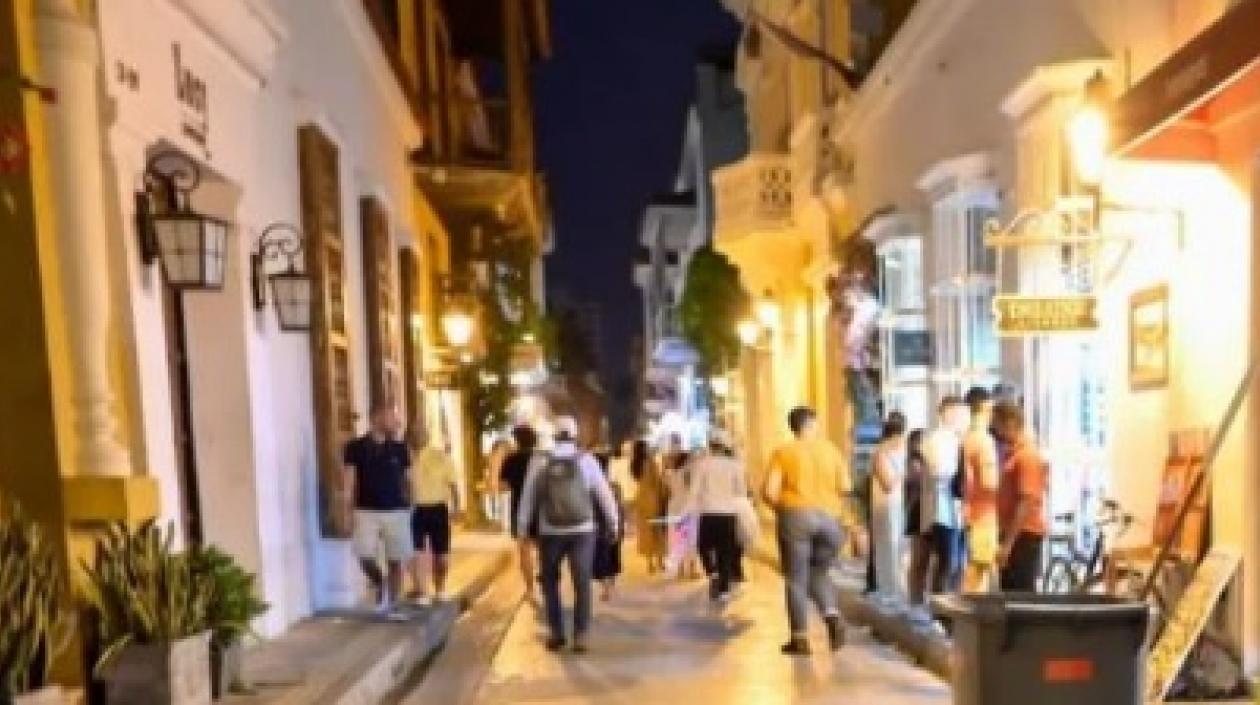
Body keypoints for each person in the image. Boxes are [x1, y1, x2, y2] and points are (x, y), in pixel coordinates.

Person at [517, 416, 619, 653]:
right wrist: (613, 523)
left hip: (550, 530)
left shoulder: (540, 461)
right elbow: (605, 495)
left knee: (550, 582)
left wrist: (522, 529)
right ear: (574, 435)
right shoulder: (587, 461)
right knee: (582, 583)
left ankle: (556, 633)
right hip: (583, 529)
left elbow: (528, 497)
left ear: (554, 435)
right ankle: (581, 634)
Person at [765, 406, 853, 656]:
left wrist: (783, 511)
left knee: (796, 579)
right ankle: (833, 618)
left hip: (795, 516)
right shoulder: (831, 451)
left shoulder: (784, 452)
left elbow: (770, 492)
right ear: (812, 424)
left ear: (793, 427)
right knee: (819, 573)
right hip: (830, 520)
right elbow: (846, 487)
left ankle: (800, 639)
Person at [341, 403, 413, 619]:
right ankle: (380, 582)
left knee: (396, 558)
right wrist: (347, 507)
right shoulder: (355, 447)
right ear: (376, 419)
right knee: (364, 554)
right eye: (392, 417)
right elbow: (349, 479)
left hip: (396, 509)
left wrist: (412, 505)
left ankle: (393, 604)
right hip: (366, 509)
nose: (397, 422)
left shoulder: (400, 448)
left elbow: (409, 479)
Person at [685, 428, 748, 602]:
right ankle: (724, 589)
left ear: (710, 445)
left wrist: (688, 510)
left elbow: (694, 490)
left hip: (707, 513)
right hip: (728, 514)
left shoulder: (701, 464)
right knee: (725, 550)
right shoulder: (735, 466)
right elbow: (741, 491)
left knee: (703, 545)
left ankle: (712, 573)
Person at [994, 402, 1048, 592]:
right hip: (1014, 532)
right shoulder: (1013, 455)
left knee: (1020, 593)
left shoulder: (1027, 456)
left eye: (997, 425)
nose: (996, 432)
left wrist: (1008, 544)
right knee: (1009, 593)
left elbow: (1026, 501)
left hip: (1024, 535)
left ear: (1009, 423)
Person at [921, 396, 967, 598]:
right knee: (947, 560)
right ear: (945, 413)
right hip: (942, 510)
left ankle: (952, 606)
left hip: (957, 509)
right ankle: (940, 609)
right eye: (957, 413)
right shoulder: (935, 440)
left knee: (958, 562)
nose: (961, 418)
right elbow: (938, 470)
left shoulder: (959, 438)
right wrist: (959, 466)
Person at [409, 428, 461, 604]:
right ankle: (422, 591)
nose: (417, 436)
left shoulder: (440, 457)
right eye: (413, 433)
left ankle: (440, 589)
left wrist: (457, 507)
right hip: (416, 509)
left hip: (438, 508)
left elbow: (453, 484)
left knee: (442, 555)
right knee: (416, 552)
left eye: (420, 433)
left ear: (427, 435)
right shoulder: (406, 457)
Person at [962, 387, 1000, 593]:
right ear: (985, 408)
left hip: (969, 512)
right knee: (979, 575)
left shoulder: (965, 437)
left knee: (973, 572)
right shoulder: (983, 440)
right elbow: (989, 483)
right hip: (984, 515)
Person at [498, 425, 540, 601]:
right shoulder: (541, 459)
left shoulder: (511, 459)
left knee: (524, 550)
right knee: (543, 547)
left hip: (520, 507)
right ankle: (545, 579)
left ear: (517, 440)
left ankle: (530, 589)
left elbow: (503, 486)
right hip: (540, 508)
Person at [871, 411, 907, 607]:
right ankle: (896, 590)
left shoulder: (880, 451)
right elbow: (889, 483)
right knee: (898, 547)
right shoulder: (902, 450)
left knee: (888, 548)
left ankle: (890, 589)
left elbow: (886, 483)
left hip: (887, 506)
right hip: (897, 504)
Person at [903, 429, 932, 615]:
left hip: (924, 510)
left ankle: (918, 599)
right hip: (918, 511)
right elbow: (915, 483)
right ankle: (915, 599)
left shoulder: (923, 462)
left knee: (923, 559)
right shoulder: (914, 462)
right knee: (919, 558)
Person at [631, 440, 668, 573]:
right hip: (653, 499)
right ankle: (660, 561)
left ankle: (650, 564)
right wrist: (665, 492)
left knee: (646, 532)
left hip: (641, 499)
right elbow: (657, 480)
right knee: (657, 530)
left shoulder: (635, 463)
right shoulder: (650, 461)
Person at [592, 452, 625, 601]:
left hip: (599, 526)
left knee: (601, 557)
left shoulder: (591, 486)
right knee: (612, 553)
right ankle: (610, 584)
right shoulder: (614, 486)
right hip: (613, 524)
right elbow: (620, 507)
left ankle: (606, 587)